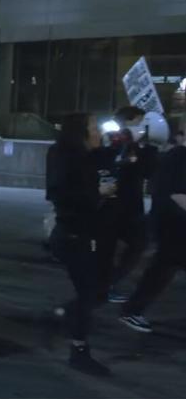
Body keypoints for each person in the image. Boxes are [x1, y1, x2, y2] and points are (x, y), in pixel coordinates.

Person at [46, 112, 115, 376]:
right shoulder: (62, 154)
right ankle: (79, 350)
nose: (99, 132)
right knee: (89, 292)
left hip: (87, 233)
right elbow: (58, 192)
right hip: (71, 234)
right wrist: (97, 194)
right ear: (80, 132)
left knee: (97, 291)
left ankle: (66, 315)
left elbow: (111, 158)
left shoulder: (89, 156)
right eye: (94, 128)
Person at [119, 117, 186, 333]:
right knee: (161, 269)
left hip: (173, 224)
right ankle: (131, 310)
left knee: (161, 269)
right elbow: (177, 194)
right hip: (172, 225)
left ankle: (131, 309)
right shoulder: (178, 157)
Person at [94, 106, 154, 303]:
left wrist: (144, 148)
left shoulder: (142, 146)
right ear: (127, 122)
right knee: (107, 250)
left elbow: (147, 172)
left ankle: (107, 283)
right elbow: (109, 164)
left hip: (130, 206)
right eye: (138, 121)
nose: (142, 126)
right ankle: (102, 287)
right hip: (111, 205)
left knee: (138, 243)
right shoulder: (111, 140)